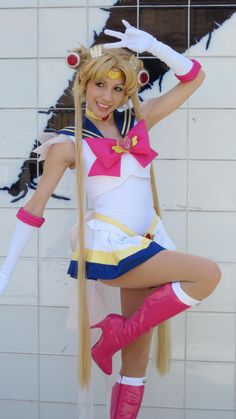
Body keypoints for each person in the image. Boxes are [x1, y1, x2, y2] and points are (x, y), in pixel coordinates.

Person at [0, 20, 221, 418]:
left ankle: (116, 349)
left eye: (118, 88)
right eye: (100, 85)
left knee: (135, 364)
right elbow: (35, 208)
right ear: (83, 83)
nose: (108, 96)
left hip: (146, 243)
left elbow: (194, 78)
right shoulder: (67, 143)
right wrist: (5, 272)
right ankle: (110, 339)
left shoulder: (135, 123)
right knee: (207, 274)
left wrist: (154, 43)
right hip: (113, 250)